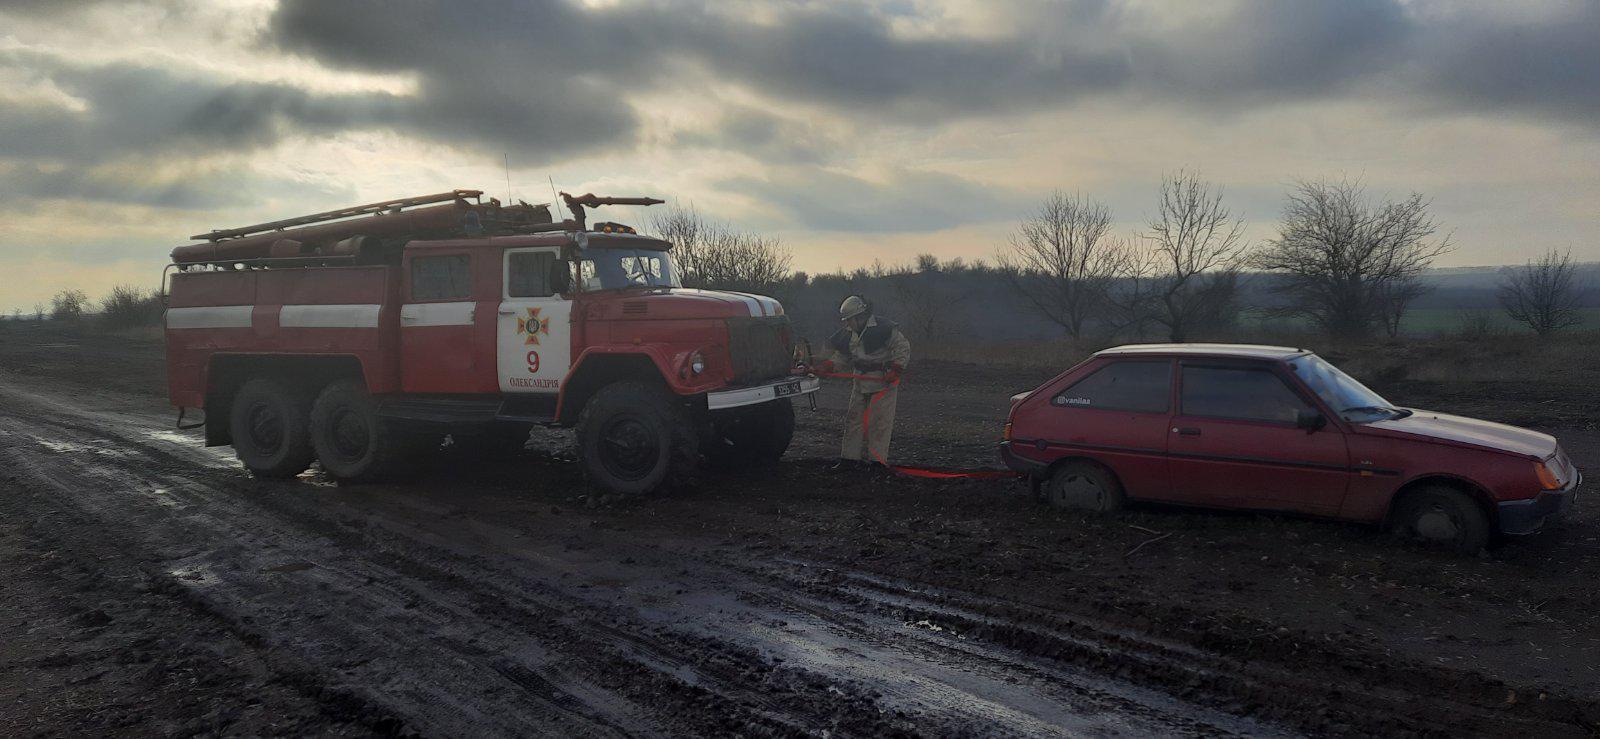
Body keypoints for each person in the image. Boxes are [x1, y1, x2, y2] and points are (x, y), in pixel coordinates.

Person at [814, 295, 911, 473]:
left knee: (879, 423)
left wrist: (896, 369)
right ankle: (849, 460)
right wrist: (828, 366)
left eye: (849, 320)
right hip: (860, 382)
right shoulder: (850, 333)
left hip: (882, 383)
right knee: (853, 421)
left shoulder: (884, 328)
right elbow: (843, 356)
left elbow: (902, 347)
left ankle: (877, 463)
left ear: (859, 317)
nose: (847, 324)